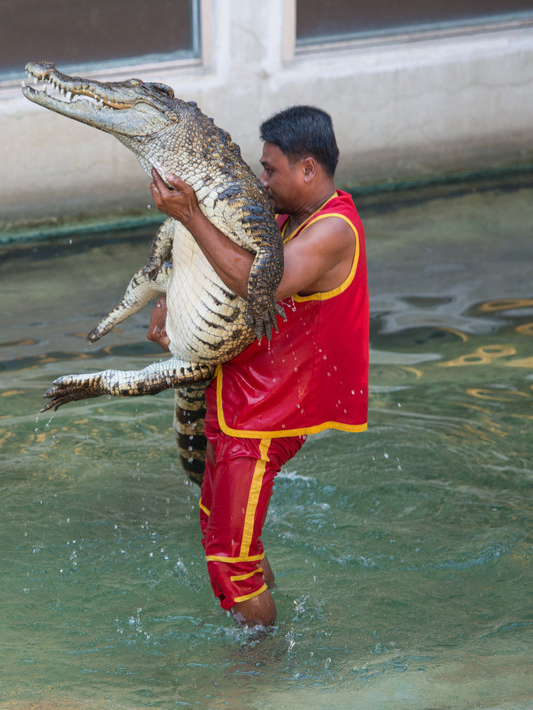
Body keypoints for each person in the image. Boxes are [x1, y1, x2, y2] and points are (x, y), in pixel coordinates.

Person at [147, 105, 369, 628]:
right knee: (219, 534)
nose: (261, 180)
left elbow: (258, 283)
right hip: (238, 397)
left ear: (308, 170)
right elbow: (218, 280)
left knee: (231, 563)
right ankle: (265, 635)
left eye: (271, 170)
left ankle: (261, 673)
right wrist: (177, 315)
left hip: (271, 415)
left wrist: (190, 215)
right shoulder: (287, 220)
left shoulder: (334, 230)